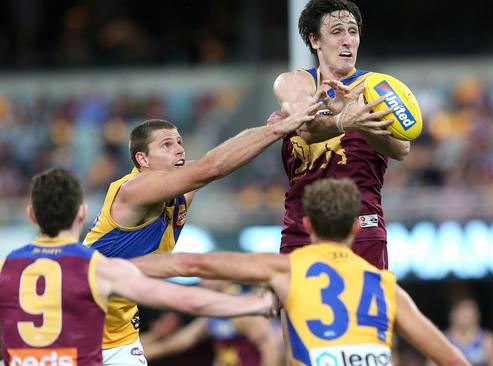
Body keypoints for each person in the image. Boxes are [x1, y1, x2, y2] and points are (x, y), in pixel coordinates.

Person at [133, 178, 470, 366]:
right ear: (356, 226)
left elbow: (193, 263)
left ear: (307, 225)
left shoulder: (287, 270)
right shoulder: (387, 288)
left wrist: (113, 267)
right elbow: (454, 361)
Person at [83, 102, 319, 364]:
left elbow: (221, 159)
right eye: (166, 145)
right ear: (143, 160)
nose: (179, 149)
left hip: (121, 333)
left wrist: (269, 131)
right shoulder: (133, 190)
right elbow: (213, 166)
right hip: (81, 322)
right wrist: (275, 131)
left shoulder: (181, 192)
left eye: (179, 142)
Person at [0, 168, 275, 366]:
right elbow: (187, 299)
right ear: (81, 213)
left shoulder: (6, 267)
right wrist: (254, 304)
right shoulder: (99, 268)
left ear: (32, 215)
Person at [272, 0, 411, 270]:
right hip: (301, 227)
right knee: (298, 313)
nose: (347, 40)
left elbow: (401, 149)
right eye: (337, 31)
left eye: (353, 31)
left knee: (366, 313)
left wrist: (358, 120)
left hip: (362, 223)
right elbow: (305, 128)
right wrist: (344, 119)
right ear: (315, 40)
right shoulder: (295, 83)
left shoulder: (379, 89)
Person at [143, 283, 283, 366]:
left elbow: (272, 351)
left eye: (206, 275)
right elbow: (172, 345)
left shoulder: (243, 308)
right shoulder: (213, 314)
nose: (202, 281)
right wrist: (130, 354)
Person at [439, 299, 493, 366]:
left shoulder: (488, 340)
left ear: (477, 316)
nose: (464, 317)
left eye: (467, 313)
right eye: (461, 313)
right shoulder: (442, 340)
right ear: (452, 315)